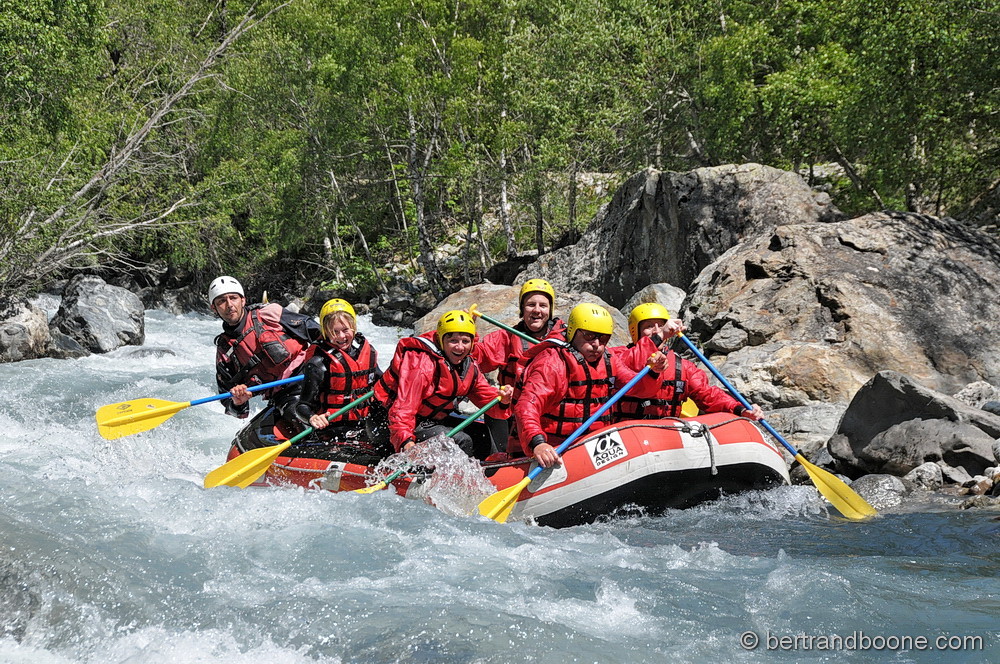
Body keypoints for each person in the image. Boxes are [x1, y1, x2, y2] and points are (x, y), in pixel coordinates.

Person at [513, 303, 669, 468]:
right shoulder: (552, 363)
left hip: (592, 447)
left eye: (603, 339)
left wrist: (653, 372)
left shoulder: (608, 359)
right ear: (573, 332)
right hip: (556, 448)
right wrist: (538, 443)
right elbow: (527, 406)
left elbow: (638, 387)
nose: (596, 344)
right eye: (589, 336)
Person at [369, 310, 513, 460]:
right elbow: (402, 409)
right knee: (461, 441)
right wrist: (406, 442)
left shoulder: (468, 365)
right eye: (453, 341)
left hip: (427, 421)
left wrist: (503, 400)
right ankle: (456, 481)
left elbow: (487, 399)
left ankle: (491, 473)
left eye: (465, 341)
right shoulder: (421, 365)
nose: (459, 347)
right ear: (441, 339)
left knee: (481, 433)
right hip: (388, 425)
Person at [612, 302, 764, 421]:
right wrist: (659, 337)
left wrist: (740, 408)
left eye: (661, 325)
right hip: (627, 434)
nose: (656, 330)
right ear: (635, 331)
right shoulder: (618, 356)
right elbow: (635, 360)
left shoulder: (683, 367)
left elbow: (708, 395)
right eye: (649, 326)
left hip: (665, 436)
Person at [471, 278, 567, 452]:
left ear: (550, 310)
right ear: (522, 309)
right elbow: (475, 357)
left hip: (550, 415)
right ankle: (500, 459)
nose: (537, 310)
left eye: (543, 306)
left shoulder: (564, 339)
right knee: (495, 408)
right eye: (531, 305)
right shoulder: (507, 338)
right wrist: (467, 331)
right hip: (512, 414)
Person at [283, 299, 384, 449]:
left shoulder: (367, 352)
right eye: (334, 332)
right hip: (333, 426)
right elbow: (302, 406)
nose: (341, 337)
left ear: (354, 327)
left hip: (365, 420)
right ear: (325, 332)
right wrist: (312, 418)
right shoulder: (318, 363)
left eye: (345, 330)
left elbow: (383, 383)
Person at [209, 276, 315, 418]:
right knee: (297, 416)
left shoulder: (269, 314)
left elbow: (317, 332)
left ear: (243, 300)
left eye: (233, 298)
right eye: (221, 301)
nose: (229, 305)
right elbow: (234, 408)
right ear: (213, 308)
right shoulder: (224, 352)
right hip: (285, 395)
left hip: (312, 374)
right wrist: (238, 402)